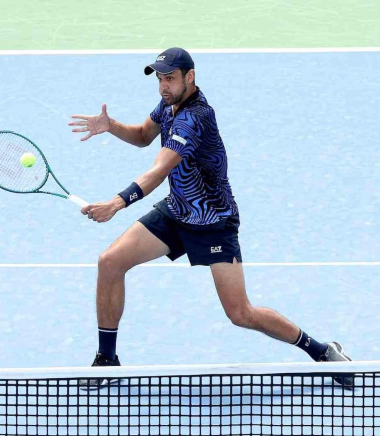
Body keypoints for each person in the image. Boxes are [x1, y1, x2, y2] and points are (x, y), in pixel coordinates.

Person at [68, 47, 351, 387]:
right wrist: (111, 125)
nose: (163, 86)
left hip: (213, 223)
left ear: (190, 77)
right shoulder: (170, 104)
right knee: (110, 262)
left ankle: (320, 350)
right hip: (178, 211)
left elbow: (159, 170)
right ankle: (107, 360)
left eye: (170, 78)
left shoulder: (194, 118)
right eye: (159, 78)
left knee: (240, 313)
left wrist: (117, 202)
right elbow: (144, 136)